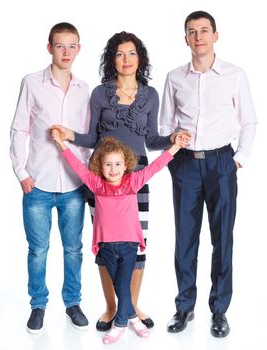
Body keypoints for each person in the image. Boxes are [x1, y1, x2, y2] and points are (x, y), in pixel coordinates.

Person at [51, 31, 178, 331]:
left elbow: (152, 138)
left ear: (140, 58)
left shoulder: (150, 95)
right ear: (112, 59)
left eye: (131, 53)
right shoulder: (99, 93)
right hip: (102, 171)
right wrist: (69, 136)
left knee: (137, 241)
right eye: (120, 54)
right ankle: (111, 307)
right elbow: (93, 137)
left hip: (136, 173)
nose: (126, 59)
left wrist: (173, 140)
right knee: (107, 242)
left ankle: (131, 306)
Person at [160, 10, 257, 338]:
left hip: (221, 164)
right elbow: (163, 125)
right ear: (185, 38)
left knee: (222, 239)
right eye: (192, 31)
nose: (198, 36)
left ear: (215, 35)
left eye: (204, 30)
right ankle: (184, 307)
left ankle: (219, 310)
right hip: (185, 165)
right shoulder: (175, 77)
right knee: (185, 238)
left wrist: (238, 159)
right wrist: (174, 142)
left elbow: (250, 121)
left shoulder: (234, 75)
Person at [51, 134, 190, 343]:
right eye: (108, 164)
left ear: (126, 165)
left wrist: (175, 147)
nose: (113, 169)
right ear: (100, 166)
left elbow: (156, 166)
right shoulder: (97, 185)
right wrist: (61, 144)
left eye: (117, 164)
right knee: (119, 285)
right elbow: (77, 167)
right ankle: (134, 318)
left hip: (129, 245)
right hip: (106, 246)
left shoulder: (133, 182)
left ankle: (119, 324)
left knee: (123, 284)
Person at [10, 22, 90, 333]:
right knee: (38, 250)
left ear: (79, 49)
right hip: (38, 183)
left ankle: (72, 302)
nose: (66, 52)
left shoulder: (85, 90)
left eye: (72, 46)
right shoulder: (32, 82)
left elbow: (85, 135)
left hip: (73, 184)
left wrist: (84, 172)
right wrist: (22, 172)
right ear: (49, 48)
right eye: (60, 45)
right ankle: (38, 305)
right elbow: (19, 128)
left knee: (73, 249)